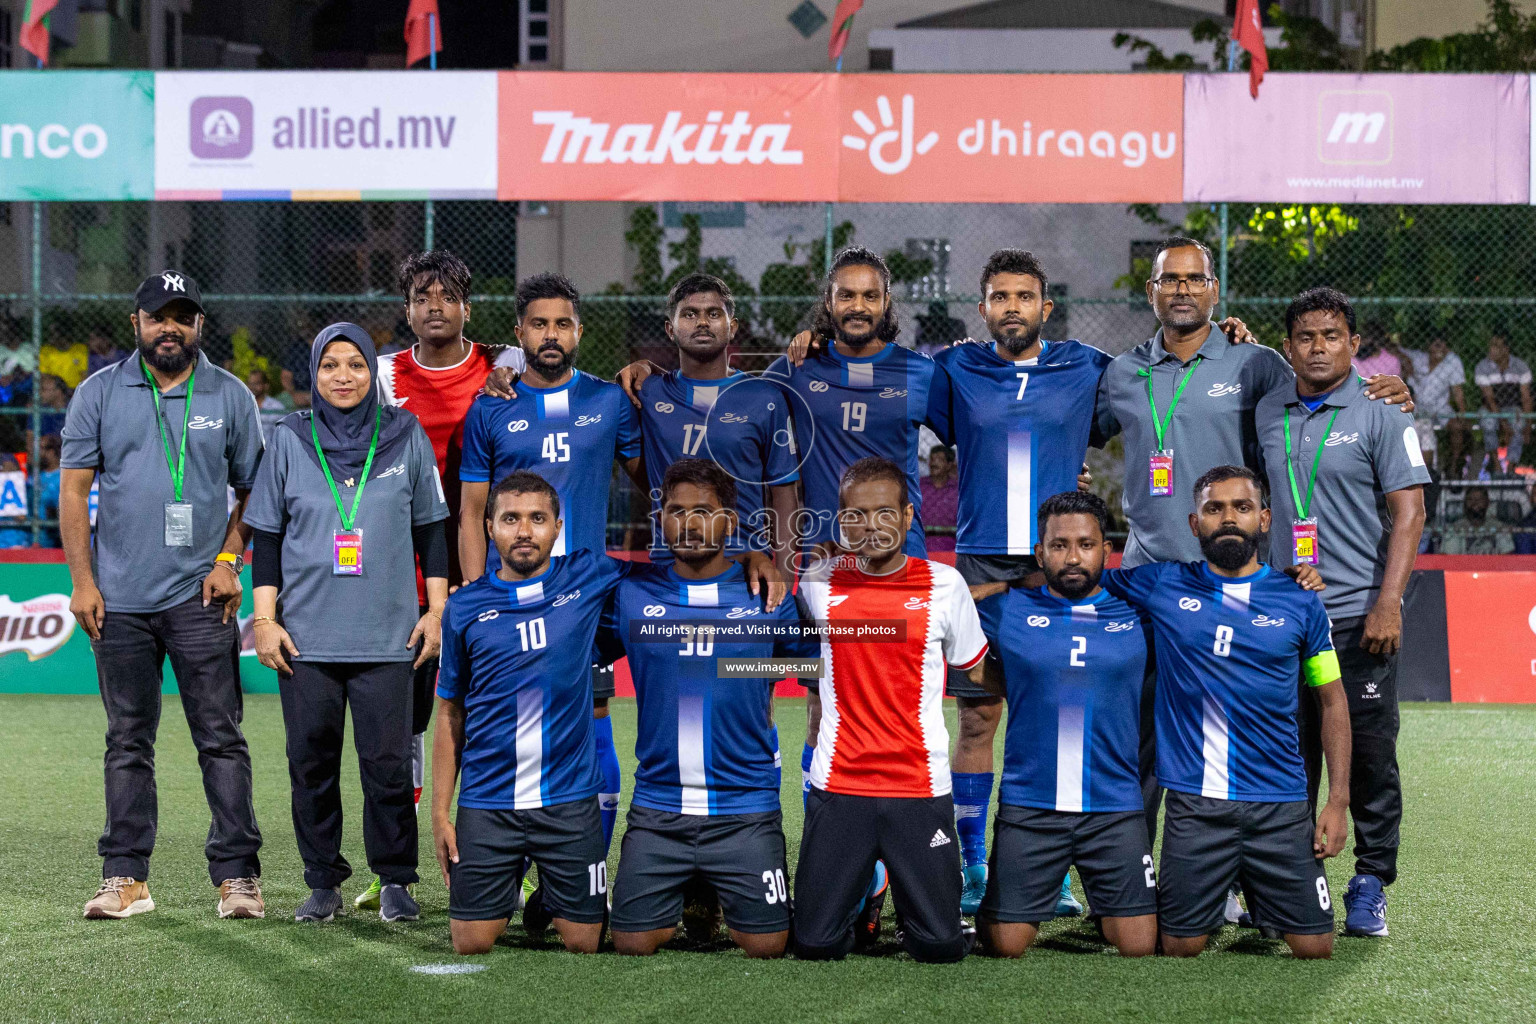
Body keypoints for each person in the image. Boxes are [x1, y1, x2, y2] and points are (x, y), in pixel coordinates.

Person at [1092, 236, 1409, 877]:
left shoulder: (1254, 363)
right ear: (1151, 291)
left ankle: (1242, 876)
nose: (1182, 289)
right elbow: (1076, 428)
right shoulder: (1122, 372)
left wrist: (1396, 399)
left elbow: (1324, 391)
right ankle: (1131, 874)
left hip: (1236, 586)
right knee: (1143, 738)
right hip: (1151, 581)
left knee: (1246, 733)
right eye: (1169, 279)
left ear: (1215, 290)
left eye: (1195, 279)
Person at [60, 271, 266, 920]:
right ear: (136, 324)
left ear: (199, 324)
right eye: (158, 316)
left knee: (221, 738)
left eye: (182, 316)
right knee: (127, 739)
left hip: (201, 600)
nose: (169, 327)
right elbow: (73, 491)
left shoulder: (230, 396)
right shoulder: (99, 393)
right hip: (119, 600)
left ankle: (238, 878)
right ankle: (126, 878)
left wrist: (229, 559)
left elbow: (255, 492)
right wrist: (84, 583)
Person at [926, 249, 1116, 915]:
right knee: (977, 718)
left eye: (1024, 296)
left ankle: (1050, 871)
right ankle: (974, 867)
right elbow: (881, 390)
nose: (1012, 307)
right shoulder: (955, 369)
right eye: (999, 297)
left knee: (1050, 721)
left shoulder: (1088, 369)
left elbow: (1160, 392)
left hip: (1056, 572)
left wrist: (1233, 339)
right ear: (982, 309)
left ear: (1046, 307)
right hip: (978, 569)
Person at [244, 322, 450, 925]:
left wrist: (435, 613)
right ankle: (322, 881)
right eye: (330, 365)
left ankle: (395, 879)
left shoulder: (404, 434)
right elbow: (269, 538)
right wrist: (264, 620)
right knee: (310, 763)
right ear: (313, 374)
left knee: (387, 766)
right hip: (305, 640)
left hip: (391, 638)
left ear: (372, 373)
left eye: (355, 365)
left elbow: (432, 531)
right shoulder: (288, 437)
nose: (342, 376)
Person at [1100, 466, 1350, 959]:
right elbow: (1078, 579)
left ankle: (1261, 901)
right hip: (1197, 807)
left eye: (1242, 507)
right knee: (1179, 947)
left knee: (1316, 948)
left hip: (1280, 807)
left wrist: (1337, 801)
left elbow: (1333, 701)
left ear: (1265, 519)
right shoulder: (1162, 585)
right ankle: (1216, 900)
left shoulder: (1300, 603)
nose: (1229, 518)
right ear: (1195, 524)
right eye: (1215, 509)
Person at [352, 249, 526, 913]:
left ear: (466, 307)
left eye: (446, 295)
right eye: (422, 297)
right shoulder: (382, 373)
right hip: (401, 574)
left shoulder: (503, 362)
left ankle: (511, 858)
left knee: (493, 717)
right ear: (407, 310)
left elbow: (546, 369)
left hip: (486, 569)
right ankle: (394, 870)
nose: (434, 307)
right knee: (403, 728)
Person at [1256, 287, 1428, 938]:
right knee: (1288, 756)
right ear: (1288, 346)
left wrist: (1389, 601)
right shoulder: (1267, 410)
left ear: (1354, 346)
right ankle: (1295, 880)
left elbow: (1409, 513)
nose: (1319, 347)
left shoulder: (1383, 411)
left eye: (1332, 336)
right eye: (1305, 336)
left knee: (1371, 758)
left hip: (1358, 615)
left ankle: (1371, 882)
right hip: (1283, 618)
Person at [458, 273, 644, 864]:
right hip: (509, 598)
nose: (551, 334)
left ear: (579, 331)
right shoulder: (491, 408)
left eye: (562, 323)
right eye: (538, 324)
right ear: (519, 333)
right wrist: (470, 595)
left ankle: (583, 865)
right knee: (502, 723)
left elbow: (656, 483)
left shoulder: (609, 402)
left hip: (584, 597)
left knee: (593, 710)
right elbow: (471, 513)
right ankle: (505, 862)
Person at [600, 460, 815, 958]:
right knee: (630, 943)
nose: (690, 523)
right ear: (660, 519)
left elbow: (814, 675)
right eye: (677, 511)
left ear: (730, 521)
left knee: (767, 946)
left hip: (745, 809)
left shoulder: (769, 597)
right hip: (658, 809)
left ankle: (712, 886)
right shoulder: (631, 593)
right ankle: (693, 886)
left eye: (705, 511)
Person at [793, 457, 989, 964]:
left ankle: (907, 894)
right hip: (840, 784)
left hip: (918, 786)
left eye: (885, 513)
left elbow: (975, 667)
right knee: (815, 946)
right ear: (840, 523)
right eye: (856, 516)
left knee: (941, 947)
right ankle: (869, 890)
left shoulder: (945, 586)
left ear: (907, 517)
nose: (871, 526)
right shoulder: (817, 582)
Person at [972, 491, 1156, 958]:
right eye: (1059, 546)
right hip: (1031, 808)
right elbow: (940, 614)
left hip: (1113, 808)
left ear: (1106, 550)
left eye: (1085, 544)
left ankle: (1105, 903)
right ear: (1040, 553)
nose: (1073, 557)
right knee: (1004, 947)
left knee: (1138, 946)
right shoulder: (1006, 609)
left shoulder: (1140, 610)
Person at [616, 273, 801, 572]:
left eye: (714, 314)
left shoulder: (765, 398)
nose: (702, 322)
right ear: (670, 330)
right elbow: (645, 474)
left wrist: (784, 575)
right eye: (689, 314)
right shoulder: (646, 392)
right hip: (670, 567)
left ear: (733, 328)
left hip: (745, 569)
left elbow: (784, 491)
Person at [1403, 336, 1467, 476]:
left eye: (1443, 344)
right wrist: (1406, 364)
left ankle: (1454, 464)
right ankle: (1422, 471)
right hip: (1417, 405)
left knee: (1457, 427)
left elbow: (1457, 391)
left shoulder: (1453, 361)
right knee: (1424, 429)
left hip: (1440, 406)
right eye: (1436, 344)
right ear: (1428, 346)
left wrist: (1463, 414)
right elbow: (1395, 349)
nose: (1440, 348)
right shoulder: (1417, 358)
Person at [1474, 333, 1531, 475]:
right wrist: (1503, 423)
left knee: (1519, 423)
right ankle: (1496, 464)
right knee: (1488, 422)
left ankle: (1511, 466)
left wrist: (1528, 426)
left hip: (1513, 407)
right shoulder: (1482, 367)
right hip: (1490, 408)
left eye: (1497, 346)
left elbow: (1526, 398)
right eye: (1491, 345)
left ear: (1506, 349)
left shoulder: (1520, 366)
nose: (1491, 350)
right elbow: (1489, 399)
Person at [1441, 485, 1515, 554]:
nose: (1475, 503)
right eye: (1470, 499)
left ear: (1487, 502)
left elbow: (1507, 557)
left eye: (1479, 499)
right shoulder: (1455, 529)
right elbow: (1449, 560)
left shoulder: (1499, 527)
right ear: (1465, 503)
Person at [919, 446, 958, 553]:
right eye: (932, 459)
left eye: (940, 460)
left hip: (951, 545)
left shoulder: (957, 490)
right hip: (922, 543)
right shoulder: (919, 486)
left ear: (949, 465)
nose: (934, 463)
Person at [246, 368, 288, 436]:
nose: (252, 387)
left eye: (256, 383)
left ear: (266, 386)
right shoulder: (241, 405)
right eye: (250, 383)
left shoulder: (276, 407)